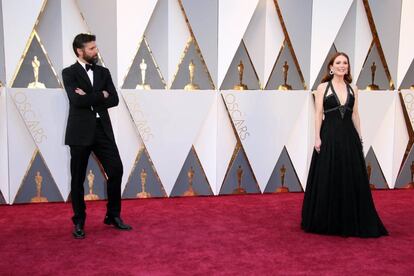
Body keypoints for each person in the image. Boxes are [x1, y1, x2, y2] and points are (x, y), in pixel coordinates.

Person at [301, 52, 388, 237]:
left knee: (350, 177)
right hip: (329, 136)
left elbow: (355, 114)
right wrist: (317, 137)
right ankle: (326, 219)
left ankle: (350, 218)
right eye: (338, 62)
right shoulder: (322, 87)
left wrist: (360, 137)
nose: (342, 65)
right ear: (331, 67)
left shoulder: (353, 88)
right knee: (328, 175)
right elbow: (318, 114)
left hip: (349, 137)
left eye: (345, 63)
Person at [62, 33, 132, 239]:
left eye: (95, 47)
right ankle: (79, 221)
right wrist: (100, 95)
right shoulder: (69, 73)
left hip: (103, 131)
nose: (96, 51)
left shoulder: (104, 72)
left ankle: (113, 215)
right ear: (79, 51)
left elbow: (115, 99)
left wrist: (92, 97)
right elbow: (76, 101)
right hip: (80, 132)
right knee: (78, 179)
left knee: (116, 170)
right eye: (91, 48)